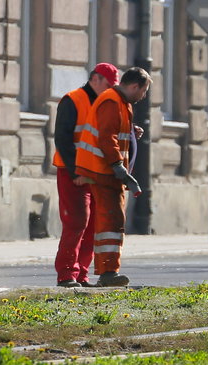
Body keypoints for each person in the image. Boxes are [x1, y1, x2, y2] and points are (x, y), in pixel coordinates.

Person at [74, 67, 152, 287]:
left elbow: (112, 131)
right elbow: (106, 136)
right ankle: (108, 272)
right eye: (144, 91)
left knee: (111, 220)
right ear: (135, 86)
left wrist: (130, 129)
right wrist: (118, 166)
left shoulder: (120, 102)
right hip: (104, 171)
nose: (143, 96)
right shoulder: (112, 101)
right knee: (112, 220)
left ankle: (107, 270)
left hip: (107, 170)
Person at [52, 63, 119, 288]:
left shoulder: (106, 103)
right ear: (95, 79)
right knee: (76, 221)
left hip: (96, 173)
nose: (110, 90)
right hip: (74, 173)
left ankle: (81, 275)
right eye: (108, 85)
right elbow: (62, 138)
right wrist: (76, 171)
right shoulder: (72, 100)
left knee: (92, 225)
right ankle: (66, 275)